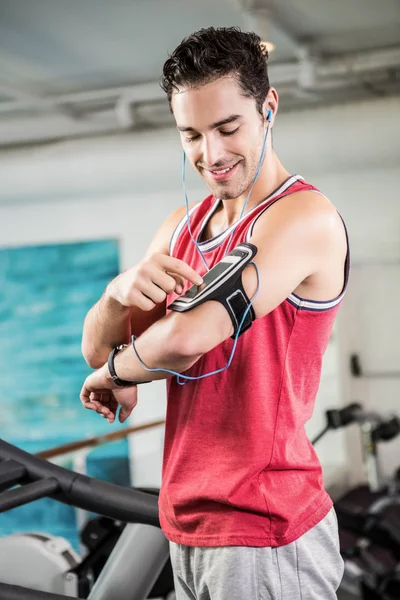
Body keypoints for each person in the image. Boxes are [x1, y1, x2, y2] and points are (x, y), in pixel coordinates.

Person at [80, 27, 348, 599]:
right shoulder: (181, 228)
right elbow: (97, 345)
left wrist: (113, 374)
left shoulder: (302, 217)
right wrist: (116, 295)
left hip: (265, 526)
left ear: (268, 108)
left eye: (228, 128)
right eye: (192, 135)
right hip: (190, 522)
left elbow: (187, 336)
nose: (213, 154)